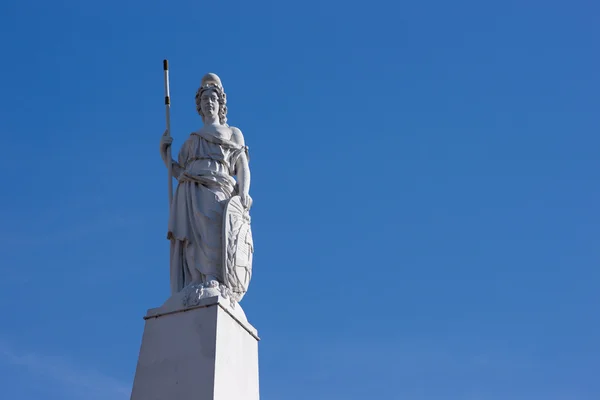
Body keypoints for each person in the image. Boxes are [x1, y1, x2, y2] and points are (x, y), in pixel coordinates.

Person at [159, 73, 251, 295]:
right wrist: (164, 155)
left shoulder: (232, 133)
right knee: (193, 238)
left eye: (213, 99)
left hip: (219, 189)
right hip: (191, 191)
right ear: (198, 106)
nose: (208, 103)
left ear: (220, 104)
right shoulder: (192, 140)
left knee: (214, 234)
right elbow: (181, 173)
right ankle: (196, 280)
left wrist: (244, 193)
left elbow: (242, 166)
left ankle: (214, 278)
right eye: (204, 100)